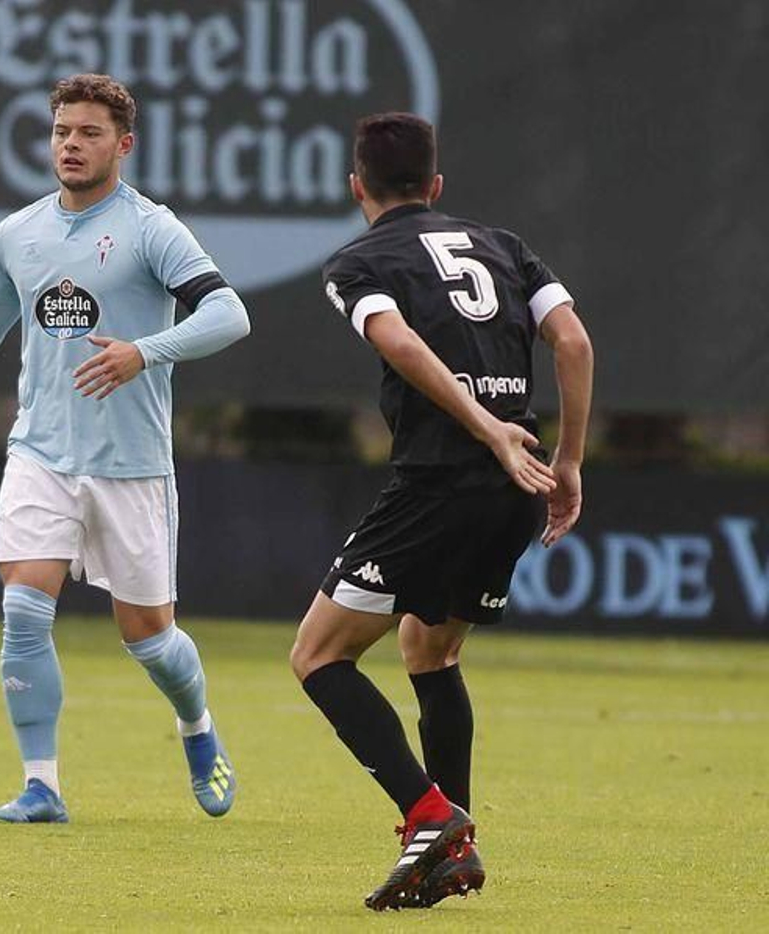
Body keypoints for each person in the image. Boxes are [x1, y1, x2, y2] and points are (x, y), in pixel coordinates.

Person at [0, 74, 251, 823]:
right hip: (40, 454)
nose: (71, 144)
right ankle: (43, 787)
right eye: (63, 130)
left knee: (150, 640)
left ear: (123, 145)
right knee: (24, 610)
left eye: (90, 132)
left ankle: (196, 727)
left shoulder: (152, 229)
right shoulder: (18, 234)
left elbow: (229, 314)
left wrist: (145, 351)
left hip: (131, 467)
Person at [292, 112, 594, 909]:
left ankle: (430, 817)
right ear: (435, 186)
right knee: (430, 652)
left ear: (357, 186)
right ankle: (454, 851)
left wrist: (484, 426)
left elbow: (397, 343)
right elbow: (573, 342)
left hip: (439, 481)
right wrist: (564, 460)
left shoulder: (358, 262)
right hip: (516, 485)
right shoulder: (504, 246)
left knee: (318, 657)